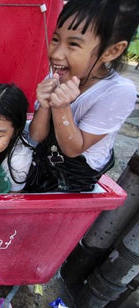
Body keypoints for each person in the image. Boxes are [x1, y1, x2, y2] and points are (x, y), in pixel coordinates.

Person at [25, 0, 139, 193]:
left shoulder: (118, 91)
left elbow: (73, 149)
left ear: (112, 51)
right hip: (47, 158)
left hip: (75, 175)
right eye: (55, 39)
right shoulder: (60, 74)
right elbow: (36, 135)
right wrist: (44, 104)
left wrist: (61, 107)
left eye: (73, 44)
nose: (56, 53)